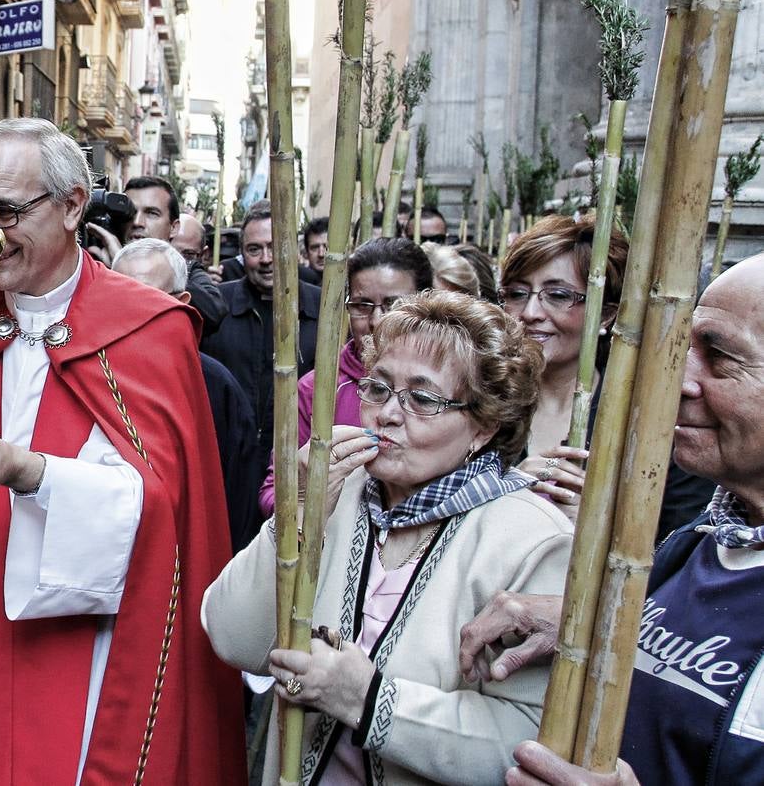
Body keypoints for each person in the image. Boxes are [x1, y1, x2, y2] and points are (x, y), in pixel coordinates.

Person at [0, 118, 243, 785]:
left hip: (87, 644)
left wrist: (29, 473)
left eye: (5, 211)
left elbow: (164, 515)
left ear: (71, 205)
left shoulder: (149, 331)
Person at [204, 290, 570, 785]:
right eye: (378, 389)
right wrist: (298, 517)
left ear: (484, 425)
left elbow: (528, 743)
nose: (387, 415)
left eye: (422, 398)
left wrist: (370, 700)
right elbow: (233, 639)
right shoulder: (338, 493)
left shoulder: (532, 540)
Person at [461, 253, 764, 785]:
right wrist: (590, 619)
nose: (677, 380)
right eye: (682, 348)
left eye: (719, 357)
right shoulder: (702, 542)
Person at [256, 237, 435, 518]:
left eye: (394, 304)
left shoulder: (448, 385)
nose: (377, 320)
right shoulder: (316, 389)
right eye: (362, 305)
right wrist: (311, 495)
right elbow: (272, 494)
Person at [112, 238, 261, 551]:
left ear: (181, 302)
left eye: (149, 299)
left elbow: (237, 498)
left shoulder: (214, 386)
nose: (133, 314)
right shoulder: (91, 373)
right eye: (120, 298)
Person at [500, 213, 629, 521]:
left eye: (558, 295)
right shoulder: (478, 399)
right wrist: (506, 493)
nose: (530, 312)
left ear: (606, 315)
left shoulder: (636, 417)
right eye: (517, 294)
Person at [202, 198, 321, 472]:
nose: (266, 259)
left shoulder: (324, 309)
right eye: (254, 249)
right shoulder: (217, 306)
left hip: (298, 464)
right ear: (243, 254)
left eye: (275, 247)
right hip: (227, 464)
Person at [123, 175, 228, 336]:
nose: (137, 221)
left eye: (152, 213)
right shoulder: (97, 262)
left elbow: (213, 313)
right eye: (131, 212)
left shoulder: (189, 270)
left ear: (173, 227)